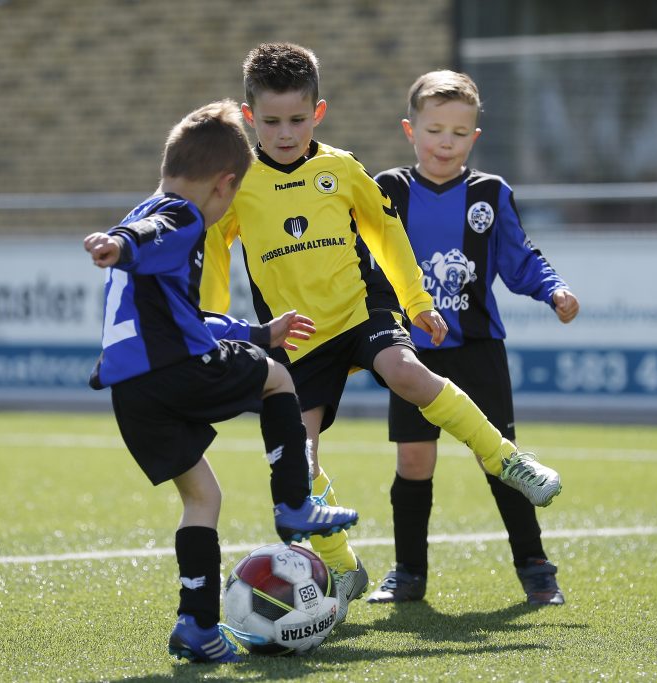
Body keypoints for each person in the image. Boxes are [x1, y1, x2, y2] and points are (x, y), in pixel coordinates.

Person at [201, 44, 563, 622]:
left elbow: (386, 235)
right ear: (250, 118)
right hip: (298, 337)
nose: (285, 132)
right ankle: (343, 567)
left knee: (407, 371)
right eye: (271, 121)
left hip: (360, 313)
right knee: (300, 455)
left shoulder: (342, 169)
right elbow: (215, 251)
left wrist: (416, 301)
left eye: (297, 119)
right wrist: (216, 329)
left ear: (318, 113)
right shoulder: (239, 186)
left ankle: (507, 458)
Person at [83, 99, 359, 664]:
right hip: (172, 372)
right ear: (224, 186)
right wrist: (119, 244)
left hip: (132, 392)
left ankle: (197, 627)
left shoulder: (151, 209)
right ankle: (294, 505)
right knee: (279, 378)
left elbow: (188, 318)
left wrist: (258, 332)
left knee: (203, 497)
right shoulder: (178, 216)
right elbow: (148, 232)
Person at [366, 70, 580, 607]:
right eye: (434, 129)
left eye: (459, 133)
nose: (445, 141)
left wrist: (553, 290)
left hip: (479, 349)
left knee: (502, 459)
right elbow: (360, 259)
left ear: (474, 137)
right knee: (414, 462)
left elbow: (519, 258)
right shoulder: (386, 190)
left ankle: (536, 571)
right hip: (410, 354)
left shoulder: (490, 194)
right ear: (410, 129)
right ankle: (407, 574)